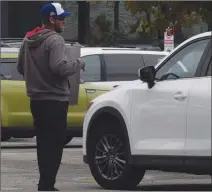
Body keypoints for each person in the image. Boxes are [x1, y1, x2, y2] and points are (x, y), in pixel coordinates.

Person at [17, 2, 85, 191]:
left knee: (43, 144)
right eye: (62, 19)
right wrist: (79, 63)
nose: (64, 22)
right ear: (52, 19)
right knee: (54, 145)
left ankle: (45, 184)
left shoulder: (27, 39)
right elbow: (60, 67)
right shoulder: (55, 40)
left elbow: (20, 67)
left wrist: (36, 78)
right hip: (55, 101)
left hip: (36, 101)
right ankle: (47, 186)